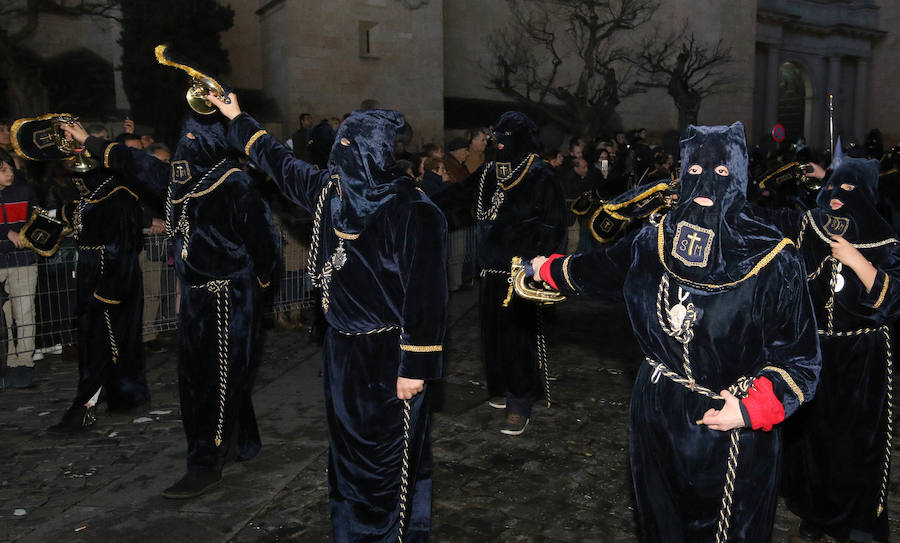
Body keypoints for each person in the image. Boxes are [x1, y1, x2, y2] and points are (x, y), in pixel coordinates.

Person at [531, 123, 821, 541]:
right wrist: (546, 268)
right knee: (660, 523)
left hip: (728, 422)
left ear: (738, 178)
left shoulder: (774, 261)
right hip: (656, 408)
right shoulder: (652, 241)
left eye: (720, 173)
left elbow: (800, 360)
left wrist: (752, 408)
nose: (704, 182)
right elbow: (596, 270)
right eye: (695, 170)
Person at [211, 92, 448, 542]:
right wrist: (236, 116)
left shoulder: (415, 212)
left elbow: (428, 298)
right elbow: (277, 162)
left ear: (369, 155)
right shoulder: (330, 194)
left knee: (387, 465)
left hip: (388, 355)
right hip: (341, 348)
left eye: (345, 149)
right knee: (347, 459)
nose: (335, 158)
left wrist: (415, 368)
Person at [61, 106, 279, 499]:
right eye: (184, 141)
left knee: (215, 379)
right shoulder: (183, 181)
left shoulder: (236, 185)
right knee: (203, 377)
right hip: (196, 297)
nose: (185, 149)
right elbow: (134, 162)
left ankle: (205, 463)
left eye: (193, 142)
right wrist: (88, 141)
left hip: (230, 295)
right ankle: (245, 441)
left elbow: (267, 247)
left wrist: (255, 290)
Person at [765, 150, 900, 543]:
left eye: (850, 188)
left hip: (861, 361)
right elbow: (765, 222)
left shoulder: (884, 239)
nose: (838, 194)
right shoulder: (810, 227)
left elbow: (893, 300)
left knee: (853, 447)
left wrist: (857, 259)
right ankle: (815, 513)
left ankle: (853, 524)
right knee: (810, 441)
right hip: (813, 354)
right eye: (834, 186)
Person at [48, 159, 150, 431]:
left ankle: (87, 404)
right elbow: (73, 218)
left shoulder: (120, 197)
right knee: (95, 338)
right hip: (90, 271)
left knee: (103, 340)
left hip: (111, 275)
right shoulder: (90, 196)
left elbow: (126, 246)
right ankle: (120, 395)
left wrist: (109, 289)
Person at [0, 147, 38, 388]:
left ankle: (23, 360)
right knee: (3, 317)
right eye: (3, 170)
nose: (9, 174)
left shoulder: (23, 191)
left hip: (23, 260)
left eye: (10, 169)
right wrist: (6, 232)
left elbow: (37, 218)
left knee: (24, 312)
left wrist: (32, 235)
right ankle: (6, 360)